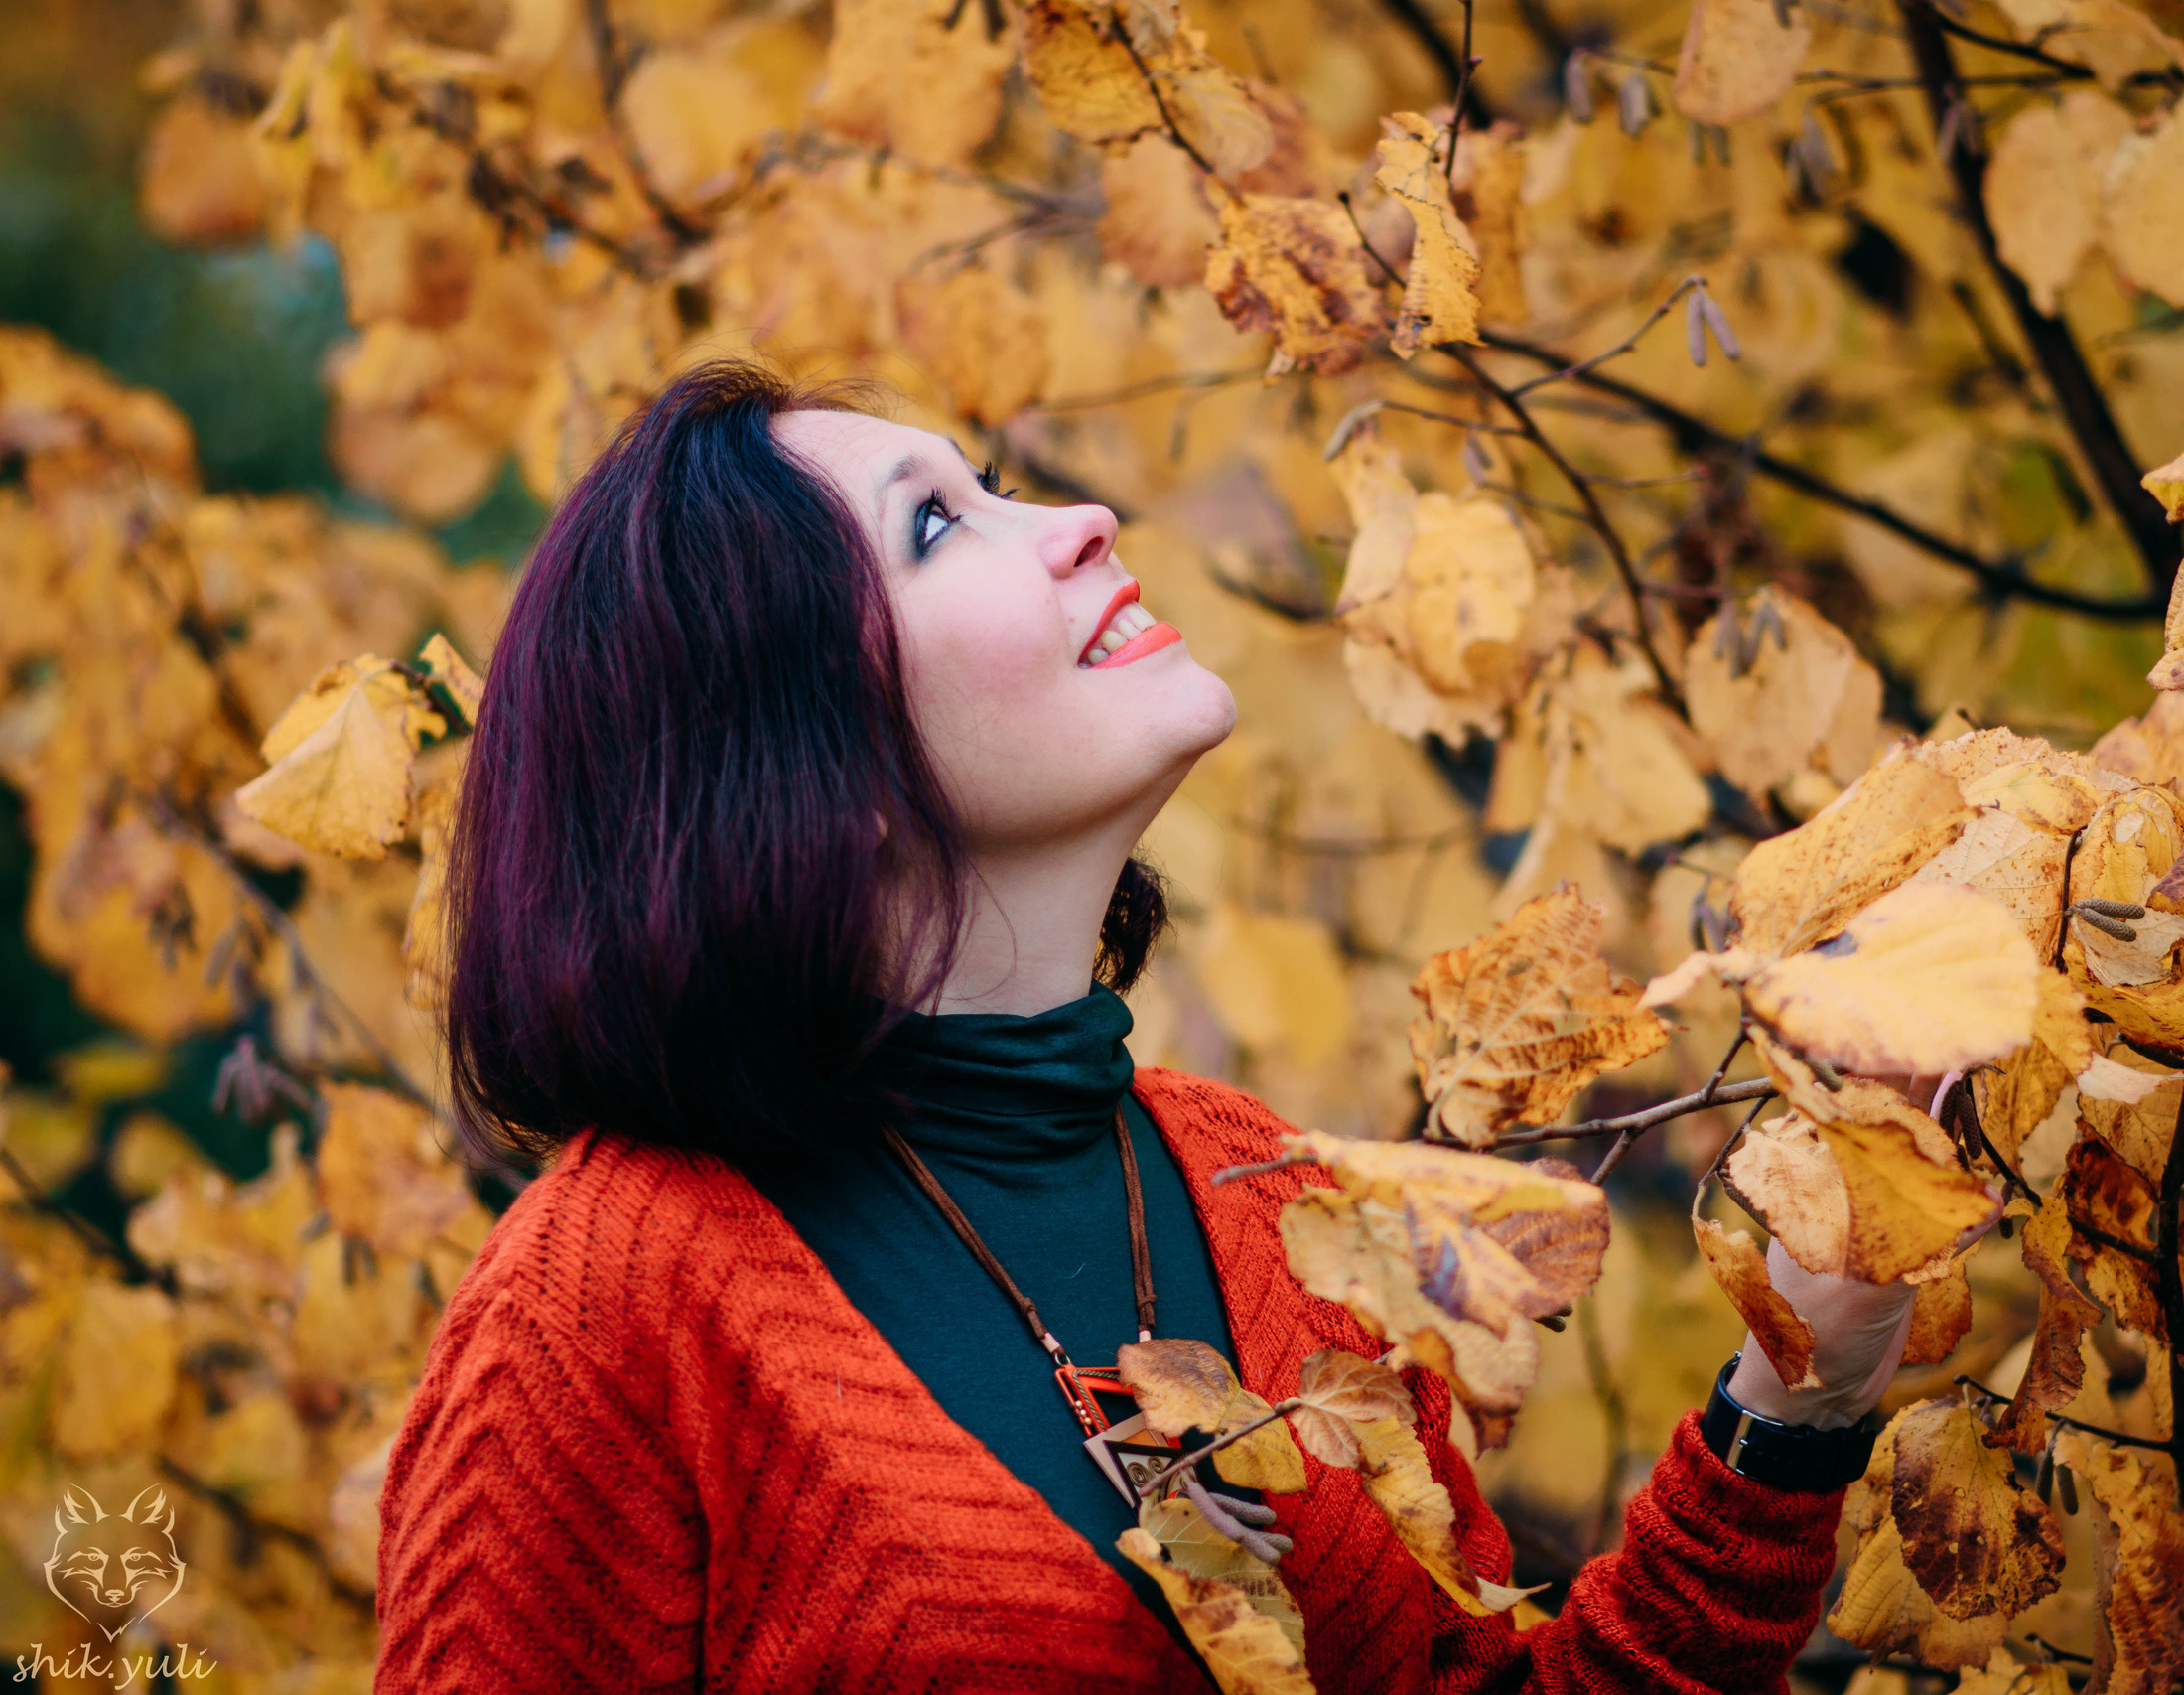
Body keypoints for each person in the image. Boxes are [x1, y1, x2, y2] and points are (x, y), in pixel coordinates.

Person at [372, 362, 1932, 1693]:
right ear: (799, 767)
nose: (1078, 523)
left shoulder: (1274, 1197)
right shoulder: (605, 1306)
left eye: (991, 485)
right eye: (936, 526)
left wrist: (1797, 1392)